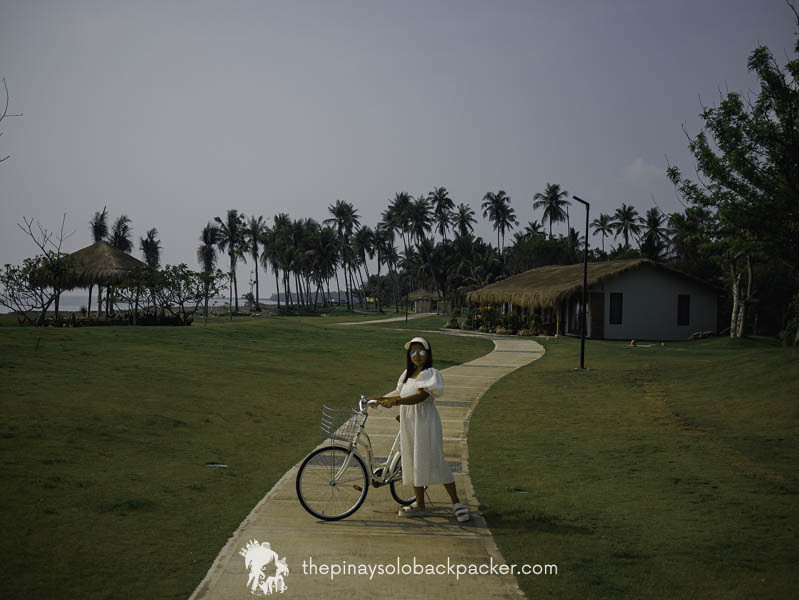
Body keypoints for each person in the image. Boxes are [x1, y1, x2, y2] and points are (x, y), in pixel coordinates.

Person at [369, 336, 470, 522]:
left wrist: (397, 402)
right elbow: (401, 395)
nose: (417, 355)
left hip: (425, 421)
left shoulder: (431, 373)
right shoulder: (407, 375)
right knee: (412, 459)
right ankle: (420, 504)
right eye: (413, 352)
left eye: (421, 351)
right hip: (410, 422)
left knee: (435, 458)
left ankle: (456, 502)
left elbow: (420, 397)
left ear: (427, 353)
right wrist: (376, 399)